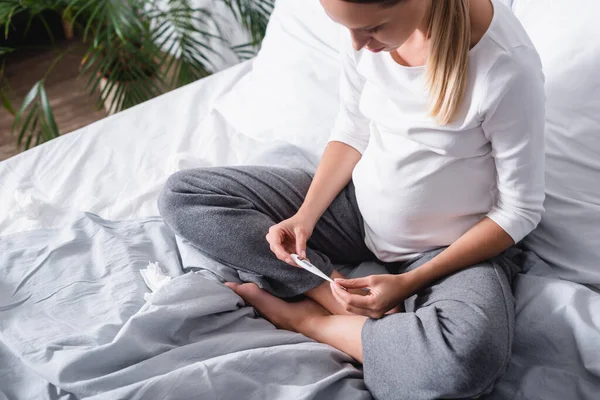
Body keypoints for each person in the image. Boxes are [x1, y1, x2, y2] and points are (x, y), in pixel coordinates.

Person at [158, 0, 546, 398]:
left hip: (449, 249)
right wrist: (305, 217)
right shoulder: (365, 35)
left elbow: (520, 210)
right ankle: (325, 291)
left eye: (373, 28)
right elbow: (353, 127)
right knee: (183, 195)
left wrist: (410, 282)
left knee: (464, 364)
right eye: (349, 29)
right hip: (356, 210)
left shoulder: (505, 66)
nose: (358, 44)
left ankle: (311, 322)